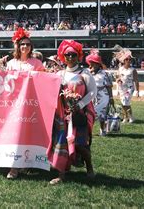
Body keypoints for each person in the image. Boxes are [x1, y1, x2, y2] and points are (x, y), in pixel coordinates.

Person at [48, 40, 97, 185]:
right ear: (63, 56)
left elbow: (93, 92)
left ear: (78, 55)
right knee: (61, 143)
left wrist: (80, 104)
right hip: (62, 115)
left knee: (80, 143)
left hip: (80, 114)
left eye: (73, 54)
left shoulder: (85, 73)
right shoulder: (59, 73)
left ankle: (89, 167)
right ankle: (61, 175)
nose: (70, 57)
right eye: (67, 54)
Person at [5, 27, 44, 179]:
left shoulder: (37, 63)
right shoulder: (11, 63)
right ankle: (14, 167)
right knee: (15, 134)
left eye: (28, 44)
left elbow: (43, 81)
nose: (25, 47)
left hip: (31, 105)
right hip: (14, 106)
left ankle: (27, 162)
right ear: (18, 46)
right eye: (22, 44)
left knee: (27, 134)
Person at [86, 50, 114, 136]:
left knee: (102, 114)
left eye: (93, 63)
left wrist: (111, 98)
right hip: (91, 97)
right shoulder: (87, 72)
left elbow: (109, 87)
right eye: (90, 63)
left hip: (103, 97)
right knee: (90, 115)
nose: (91, 65)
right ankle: (89, 130)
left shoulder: (105, 74)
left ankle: (102, 130)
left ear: (98, 64)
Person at [113, 47, 139, 123]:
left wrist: (137, 91)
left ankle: (129, 117)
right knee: (124, 103)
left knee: (126, 101)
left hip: (130, 88)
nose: (128, 61)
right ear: (124, 60)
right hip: (122, 88)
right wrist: (117, 85)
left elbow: (136, 81)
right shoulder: (120, 69)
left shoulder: (133, 70)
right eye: (127, 59)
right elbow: (117, 78)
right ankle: (126, 117)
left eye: (130, 59)